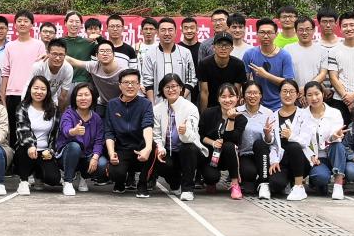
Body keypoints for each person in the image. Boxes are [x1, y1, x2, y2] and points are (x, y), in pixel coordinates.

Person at [152, 73, 207, 202]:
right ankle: (175, 183)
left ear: (181, 88)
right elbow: (156, 134)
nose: (171, 90)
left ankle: (187, 189)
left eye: (174, 86)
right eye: (167, 87)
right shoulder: (157, 109)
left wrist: (185, 131)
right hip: (169, 150)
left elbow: (191, 137)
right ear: (162, 90)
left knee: (188, 148)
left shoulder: (190, 107)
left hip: (188, 150)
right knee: (157, 157)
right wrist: (160, 148)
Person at [104, 68, 154, 197]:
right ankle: (120, 182)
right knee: (116, 173)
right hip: (122, 148)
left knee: (153, 145)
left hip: (140, 147)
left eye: (133, 83)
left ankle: (142, 184)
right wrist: (111, 153)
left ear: (139, 85)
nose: (130, 86)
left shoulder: (146, 104)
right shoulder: (112, 104)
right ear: (120, 85)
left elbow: (147, 126)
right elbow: (109, 132)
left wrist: (148, 148)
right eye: (126, 82)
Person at [297, 81, 352, 200]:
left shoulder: (335, 113)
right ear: (305, 97)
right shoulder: (301, 115)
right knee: (320, 177)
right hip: (316, 158)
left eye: (317, 94)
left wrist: (333, 137)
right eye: (309, 95)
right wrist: (310, 155)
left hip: (333, 153)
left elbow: (336, 137)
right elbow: (301, 140)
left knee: (338, 145)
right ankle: (318, 183)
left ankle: (338, 185)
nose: (314, 98)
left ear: (323, 94)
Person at [0, 11, 47, 140]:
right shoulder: (9, 46)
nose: (22, 23)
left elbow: (42, 70)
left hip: (32, 93)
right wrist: (3, 93)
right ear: (15, 24)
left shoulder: (39, 45)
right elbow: (6, 71)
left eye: (26, 21)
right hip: (12, 93)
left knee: (31, 127)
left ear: (32, 25)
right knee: (14, 127)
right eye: (19, 21)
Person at [14, 76, 62, 195]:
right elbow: (22, 130)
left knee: (53, 179)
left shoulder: (54, 109)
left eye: (43, 89)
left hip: (45, 151)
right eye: (36, 88)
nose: (39, 92)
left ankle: (38, 175)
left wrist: (51, 151)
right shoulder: (22, 107)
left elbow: (55, 135)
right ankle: (23, 181)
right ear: (30, 89)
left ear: (47, 91)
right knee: (23, 149)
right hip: (27, 149)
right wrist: (30, 145)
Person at [55, 83, 106, 195]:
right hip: (67, 156)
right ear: (74, 98)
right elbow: (65, 130)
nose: (83, 98)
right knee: (74, 146)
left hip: (86, 156)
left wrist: (95, 157)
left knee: (102, 163)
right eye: (80, 95)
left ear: (92, 97)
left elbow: (99, 141)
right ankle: (68, 181)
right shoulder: (68, 113)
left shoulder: (96, 118)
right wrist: (74, 131)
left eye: (86, 95)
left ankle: (84, 177)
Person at [235, 80, 281, 199]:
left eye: (256, 93)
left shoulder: (268, 113)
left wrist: (267, 134)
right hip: (245, 154)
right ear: (243, 95)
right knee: (249, 174)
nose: (252, 96)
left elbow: (272, 141)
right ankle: (254, 182)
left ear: (261, 95)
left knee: (260, 143)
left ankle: (264, 183)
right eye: (249, 93)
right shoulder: (237, 112)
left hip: (263, 153)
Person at [199, 83, 247, 196]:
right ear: (218, 99)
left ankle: (235, 184)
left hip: (229, 156)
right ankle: (210, 182)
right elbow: (200, 135)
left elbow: (232, 139)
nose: (227, 100)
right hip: (211, 155)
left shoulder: (242, 119)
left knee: (229, 145)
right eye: (223, 96)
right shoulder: (208, 113)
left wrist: (231, 119)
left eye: (231, 96)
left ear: (237, 98)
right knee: (211, 177)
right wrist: (212, 142)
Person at [242, 18, 293, 111]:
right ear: (257, 34)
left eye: (269, 33)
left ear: (276, 34)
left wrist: (266, 75)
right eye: (262, 32)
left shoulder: (285, 55)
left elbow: (289, 83)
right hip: (256, 105)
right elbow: (244, 80)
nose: (265, 36)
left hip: (279, 105)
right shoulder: (249, 54)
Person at [141, 17, 197, 101]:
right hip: (158, 103)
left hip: (182, 103)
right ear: (157, 33)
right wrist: (152, 104)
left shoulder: (185, 53)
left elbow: (191, 79)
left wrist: (180, 99)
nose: (167, 33)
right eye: (163, 30)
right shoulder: (150, 54)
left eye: (170, 30)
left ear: (176, 32)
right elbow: (148, 82)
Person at [273, 80, 311, 201]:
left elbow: (305, 141)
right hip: (282, 160)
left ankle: (299, 186)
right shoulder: (273, 115)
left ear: (297, 94)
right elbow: (272, 144)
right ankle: (288, 182)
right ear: (279, 93)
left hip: (301, 160)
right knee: (275, 184)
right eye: (284, 91)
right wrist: (274, 160)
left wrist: (291, 136)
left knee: (294, 146)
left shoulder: (304, 114)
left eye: (291, 91)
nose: (288, 95)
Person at [66, 40, 126, 112]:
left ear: (114, 55)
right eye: (102, 51)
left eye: (108, 51)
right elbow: (72, 61)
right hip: (102, 104)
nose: (105, 54)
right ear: (97, 56)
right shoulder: (94, 66)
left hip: (121, 104)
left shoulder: (123, 70)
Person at [196, 32, 247, 111]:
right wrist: (204, 114)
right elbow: (204, 92)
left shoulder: (238, 65)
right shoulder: (204, 64)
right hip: (210, 105)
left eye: (227, 45)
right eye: (220, 45)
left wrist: (233, 112)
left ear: (232, 49)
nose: (223, 48)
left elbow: (236, 93)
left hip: (229, 104)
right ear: (213, 47)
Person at [284, 16, 326, 90]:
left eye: (308, 29)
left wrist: (306, 88)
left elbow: (323, 74)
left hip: (314, 93)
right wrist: (296, 90)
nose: (304, 33)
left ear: (313, 30)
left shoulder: (322, 50)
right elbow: (286, 74)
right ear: (295, 31)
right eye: (301, 30)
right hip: (294, 92)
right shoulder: (287, 49)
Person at [30, 39, 74, 108]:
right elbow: (30, 89)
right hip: (34, 99)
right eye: (54, 54)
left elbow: (63, 96)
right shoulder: (38, 66)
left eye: (61, 55)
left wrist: (59, 112)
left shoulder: (68, 69)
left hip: (52, 99)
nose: (57, 58)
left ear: (65, 55)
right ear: (48, 53)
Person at [62, 12, 96, 84]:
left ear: (81, 24)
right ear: (65, 23)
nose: (74, 24)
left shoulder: (88, 43)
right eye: (71, 21)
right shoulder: (59, 42)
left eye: (77, 22)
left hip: (82, 83)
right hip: (63, 82)